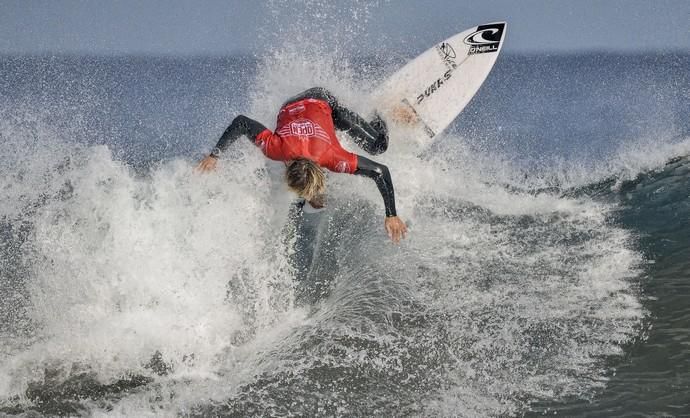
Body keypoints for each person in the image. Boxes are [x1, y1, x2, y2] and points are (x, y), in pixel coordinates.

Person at [197, 87, 407, 243]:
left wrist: (391, 214)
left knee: (379, 146)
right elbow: (241, 122)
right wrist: (214, 155)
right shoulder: (275, 148)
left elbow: (381, 172)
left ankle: (383, 111)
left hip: (324, 102)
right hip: (297, 103)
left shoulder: (332, 156)